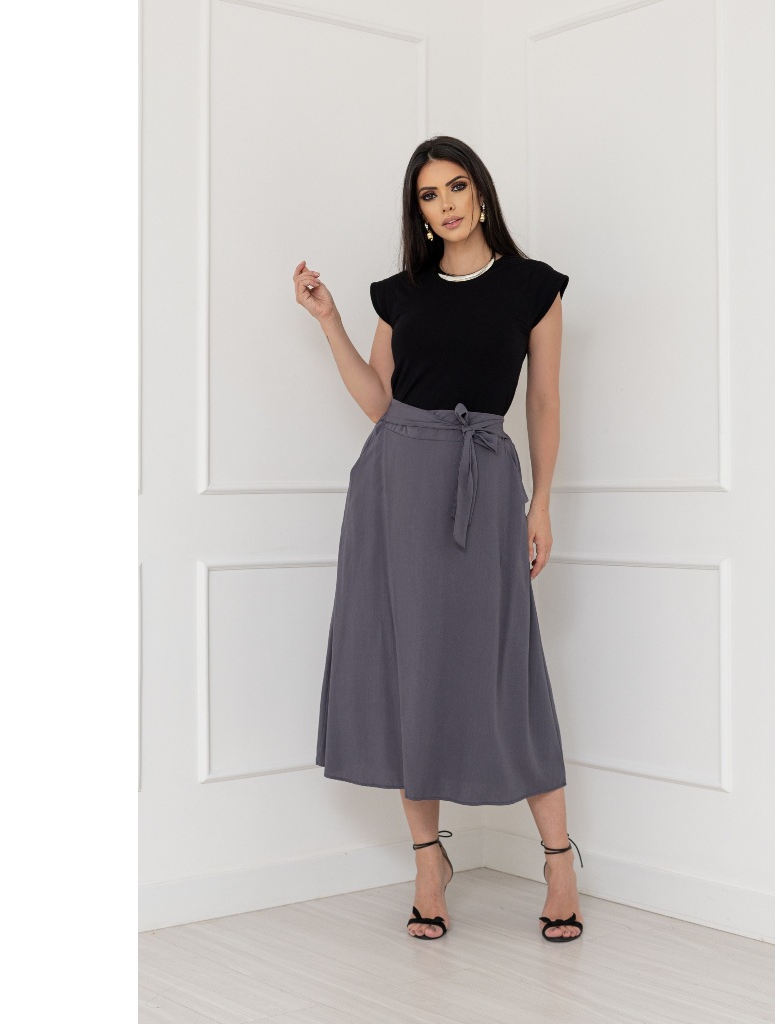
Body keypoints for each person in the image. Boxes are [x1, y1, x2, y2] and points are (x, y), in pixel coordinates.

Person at [292, 136, 583, 943]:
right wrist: (331, 320)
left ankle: (559, 858)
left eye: (456, 187)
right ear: (417, 211)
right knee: (408, 669)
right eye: (429, 194)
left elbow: (545, 402)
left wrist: (542, 502)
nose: (446, 204)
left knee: (506, 667)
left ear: (480, 194)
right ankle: (429, 864)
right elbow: (379, 401)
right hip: (395, 485)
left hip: (483, 479)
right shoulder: (402, 293)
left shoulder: (533, 288)